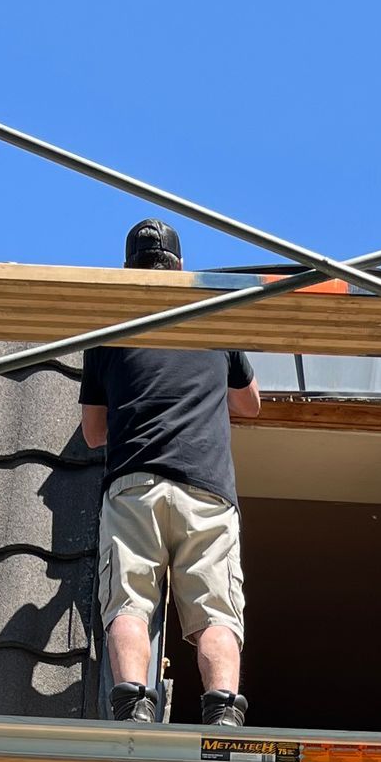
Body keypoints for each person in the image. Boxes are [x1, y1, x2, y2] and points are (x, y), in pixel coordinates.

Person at [79, 217, 261, 726]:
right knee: (215, 614)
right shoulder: (214, 317)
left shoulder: (110, 331)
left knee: (130, 604)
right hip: (206, 491)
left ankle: (134, 707)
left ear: (128, 268)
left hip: (135, 485)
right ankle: (223, 713)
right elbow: (251, 404)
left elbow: (94, 432)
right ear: (181, 267)